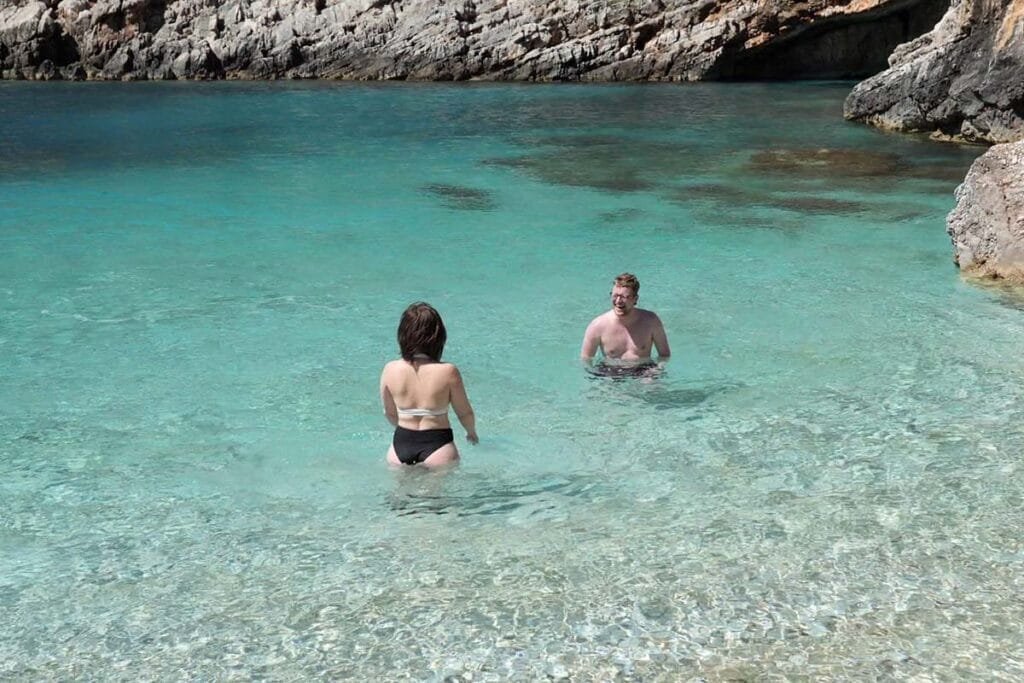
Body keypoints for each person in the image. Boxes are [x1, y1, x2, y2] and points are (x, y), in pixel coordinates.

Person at [380, 302, 478, 467]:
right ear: (438, 337)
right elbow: (465, 412)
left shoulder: (390, 369)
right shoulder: (448, 371)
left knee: (399, 493)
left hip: (400, 445)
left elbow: (389, 413)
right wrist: (471, 433)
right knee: (437, 493)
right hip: (438, 445)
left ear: (402, 336)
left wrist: (409, 433)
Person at [580, 272, 671, 377]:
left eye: (624, 297)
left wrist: (657, 370)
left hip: (644, 370)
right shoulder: (597, 325)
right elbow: (586, 359)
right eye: (615, 296)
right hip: (610, 371)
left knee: (652, 387)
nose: (618, 301)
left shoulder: (651, 321)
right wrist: (598, 377)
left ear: (635, 299)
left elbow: (664, 355)